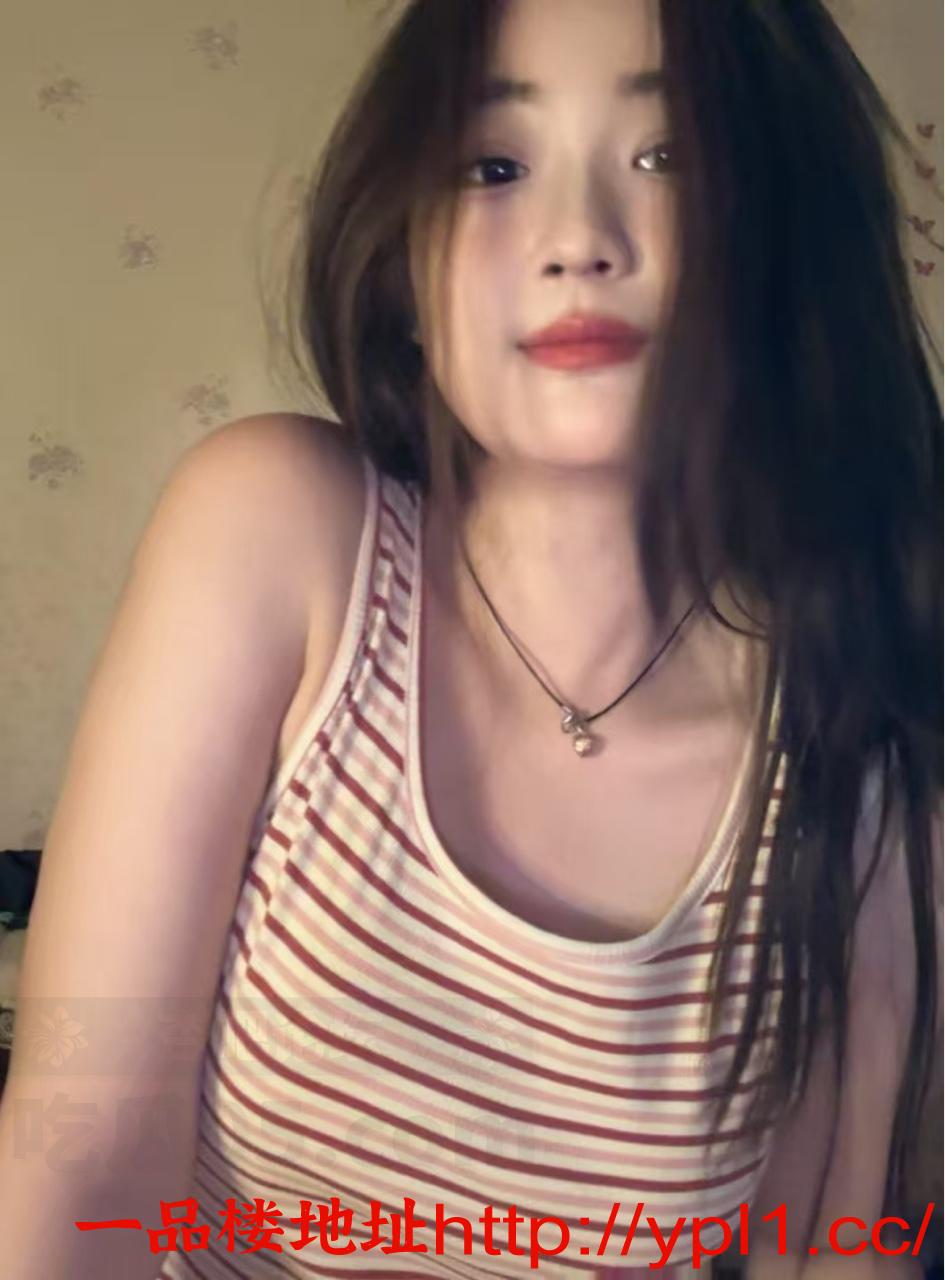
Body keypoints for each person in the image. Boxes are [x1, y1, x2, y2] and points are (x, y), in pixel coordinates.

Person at [1, 0, 941, 1276]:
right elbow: (81, 1154)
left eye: (670, 156)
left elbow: (832, 1243)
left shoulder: (858, 726)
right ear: (406, 255)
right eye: (494, 165)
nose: (577, 239)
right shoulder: (275, 532)